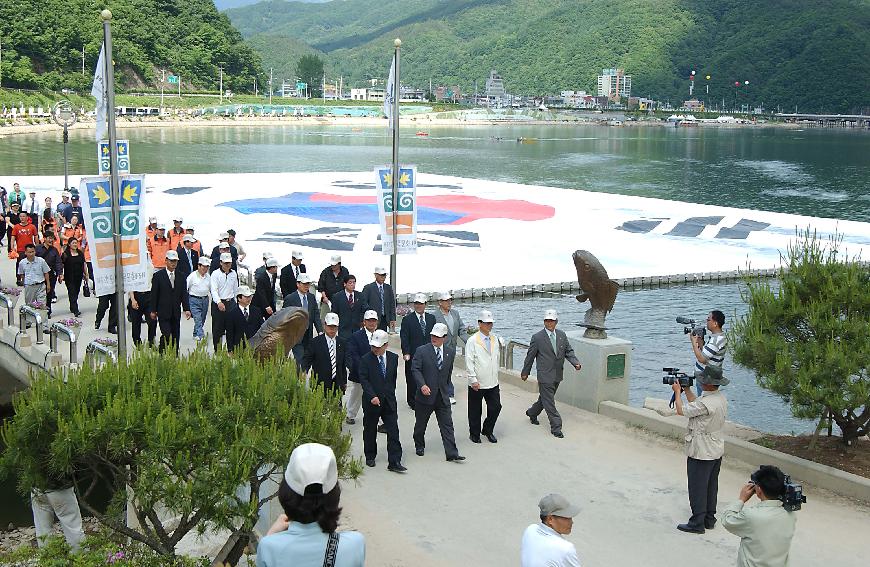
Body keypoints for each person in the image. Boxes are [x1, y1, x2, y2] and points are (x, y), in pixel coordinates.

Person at [256, 443, 365, 567]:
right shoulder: (355, 544)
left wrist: (270, 535)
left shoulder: (269, 548)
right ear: (334, 496)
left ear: (286, 493)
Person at [672, 365, 729, 534]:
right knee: (711, 486)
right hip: (715, 448)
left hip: (701, 450)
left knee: (697, 486)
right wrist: (687, 389)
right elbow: (696, 404)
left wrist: (677, 391)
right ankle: (709, 519)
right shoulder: (719, 398)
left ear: (708, 384)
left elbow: (682, 410)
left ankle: (697, 522)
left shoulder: (706, 403)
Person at [521, 309, 581, 439]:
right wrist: (525, 372)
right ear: (544, 322)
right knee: (549, 402)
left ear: (556, 322)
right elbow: (530, 356)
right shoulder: (537, 338)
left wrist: (575, 362)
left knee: (545, 399)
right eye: (547, 320)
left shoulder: (561, 335)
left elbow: (568, 351)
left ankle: (532, 412)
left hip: (557, 374)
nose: (549, 323)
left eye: (552, 321)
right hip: (544, 375)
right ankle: (556, 427)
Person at [722, 465, 797, 567]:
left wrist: (741, 499)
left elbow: (727, 520)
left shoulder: (752, 516)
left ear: (759, 490)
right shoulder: (791, 515)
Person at [411, 323, 465, 462]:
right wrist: (422, 385)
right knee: (421, 424)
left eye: (438, 336)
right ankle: (419, 445)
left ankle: (452, 453)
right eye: (433, 335)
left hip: (442, 396)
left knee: (447, 425)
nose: (434, 338)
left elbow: (448, 373)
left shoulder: (450, 352)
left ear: (445, 338)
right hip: (425, 397)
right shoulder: (421, 351)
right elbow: (415, 369)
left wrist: (447, 390)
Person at [357, 329, 406, 472]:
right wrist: (372, 396)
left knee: (393, 430)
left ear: (386, 345)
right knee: (370, 429)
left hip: (389, 401)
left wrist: (390, 394)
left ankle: (394, 461)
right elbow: (364, 380)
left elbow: (392, 380)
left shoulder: (393, 358)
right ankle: (370, 455)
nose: (375, 349)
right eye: (373, 346)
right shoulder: (365, 359)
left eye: (378, 346)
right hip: (372, 401)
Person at [465, 309, 503, 444]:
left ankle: (487, 429)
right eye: (486, 323)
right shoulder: (472, 341)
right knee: (475, 410)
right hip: (478, 382)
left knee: (496, 407)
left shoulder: (495, 338)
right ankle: (474, 434)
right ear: (479, 323)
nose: (489, 325)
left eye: (490, 323)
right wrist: (473, 379)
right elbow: (469, 361)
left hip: (492, 381)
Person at [520, 493, 581, 567]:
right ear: (550, 519)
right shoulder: (566, 549)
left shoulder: (530, 530)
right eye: (567, 517)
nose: (571, 522)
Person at [149, 250, 192, 354]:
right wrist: (153, 310)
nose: (173, 263)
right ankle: (162, 350)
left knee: (176, 334)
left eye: (175, 261)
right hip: (163, 311)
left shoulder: (181, 276)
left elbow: (183, 294)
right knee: (167, 333)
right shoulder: (158, 276)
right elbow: (154, 294)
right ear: (166, 261)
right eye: (171, 261)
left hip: (175, 311)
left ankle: (175, 354)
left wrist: (186, 309)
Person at [399, 293, 435, 410]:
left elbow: (434, 337)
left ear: (425, 305)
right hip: (413, 354)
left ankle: (427, 398)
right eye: (416, 304)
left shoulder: (431, 318)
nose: (419, 306)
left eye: (421, 304)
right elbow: (404, 337)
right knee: (412, 378)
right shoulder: (407, 320)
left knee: (428, 376)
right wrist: (406, 353)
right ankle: (412, 401)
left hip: (428, 353)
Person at [345, 310, 380, 425]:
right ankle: (350, 415)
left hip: (377, 371)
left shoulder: (380, 335)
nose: (371, 323)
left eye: (373, 321)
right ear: (364, 322)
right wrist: (362, 368)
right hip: (359, 371)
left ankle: (379, 420)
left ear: (377, 322)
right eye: (369, 321)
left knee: (377, 394)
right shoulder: (356, 336)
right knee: (357, 393)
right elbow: (353, 354)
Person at [303, 312, 349, 398]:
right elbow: (307, 359)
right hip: (320, 383)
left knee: (337, 409)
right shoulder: (315, 342)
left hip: (337, 384)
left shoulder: (342, 343)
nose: (332, 329)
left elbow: (342, 364)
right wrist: (303, 371)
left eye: (334, 327)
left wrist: (344, 381)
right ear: (324, 325)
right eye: (329, 326)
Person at [433, 291, 468, 404]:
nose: (449, 302)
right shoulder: (434, 316)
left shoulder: (455, 313)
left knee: (448, 371)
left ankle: (445, 392)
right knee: (440, 371)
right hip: (439, 348)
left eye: (450, 300)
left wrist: (470, 341)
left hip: (451, 349)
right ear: (440, 302)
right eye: (446, 301)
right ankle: (448, 393)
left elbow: (461, 329)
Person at [31, 483, 86, 553]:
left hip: (36, 488)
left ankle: (47, 560)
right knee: (73, 527)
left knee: (42, 528)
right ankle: (81, 560)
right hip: (60, 487)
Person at [283, 272, 321, 371]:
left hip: (308, 333)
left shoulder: (311, 298)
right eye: (304, 284)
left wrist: (320, 330)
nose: (306, 286)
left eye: (308, 284)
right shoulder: (290, 298)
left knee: (307, 357)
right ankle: (299, 378)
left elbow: (316, 314)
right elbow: (284, 316)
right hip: (295, 334)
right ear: (298, 284)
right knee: (299, 357)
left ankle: (302, 375)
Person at [691, 310, 727, 396]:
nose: (706, 322)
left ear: (715, 323)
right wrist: (700, 343)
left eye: (708, 320)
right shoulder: (717, 337)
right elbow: (708, 354)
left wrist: (693, 343)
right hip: (706, 377)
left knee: (703, 403)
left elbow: (702, 359)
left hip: (706, 379)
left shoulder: (716, 340)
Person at [210, 252, 239, 350]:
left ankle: (230, 350)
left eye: (229, 263)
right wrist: (218, 302)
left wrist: (237, 301)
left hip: (230, 302)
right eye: (225, 263)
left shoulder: (234, 273)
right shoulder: (215, 274)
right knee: (217, 329)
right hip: (218, 303)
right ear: (221, 263)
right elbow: (214, 290)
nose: (227, 265)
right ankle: (217, 351)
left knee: (231, 328)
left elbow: (235, 288)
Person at [226, 285, 264, 353]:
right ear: (239, 298)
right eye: (246, 297)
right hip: (239, 348)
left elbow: (262, 328)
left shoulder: (257, 311)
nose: (249, 298)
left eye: (250, 296)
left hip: (255, 347)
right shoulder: (232, 314)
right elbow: (229, 333)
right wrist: (230, 349)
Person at [329, 274, 367, 340]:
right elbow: (334, 313)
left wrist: (361, 321)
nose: (352, 284)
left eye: (354, 282)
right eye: (350, 282)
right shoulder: (337, 297)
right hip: (343, 330)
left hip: (357, 329)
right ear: (344, 284)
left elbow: (364, 309)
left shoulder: (360, 295)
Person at [128, 270, 158, 348]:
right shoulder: (135, 267)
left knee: (152, 320)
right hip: (137, 295)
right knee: (136, 321)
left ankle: (151, 340)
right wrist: (133, 299)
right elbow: (130, 284)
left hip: (149, 295)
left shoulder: (150, 265)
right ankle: (137, 342)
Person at [360, 267, 396, 332]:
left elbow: (392, 304)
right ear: (376, 275)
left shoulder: (388, 288)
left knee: (382, 338)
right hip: (372, 320)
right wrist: (369, 315)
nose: (383, 277)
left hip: (385, 319)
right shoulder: (368, 288)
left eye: (384, 275)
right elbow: (363, 303)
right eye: (381, 275)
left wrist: (392, 319)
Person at [35, 234, 62, 319]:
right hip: (39, 274)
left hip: (51, 275)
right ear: (45, 238)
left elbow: (58, 262)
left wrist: (60, 274)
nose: (51, 240)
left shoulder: (54, 250)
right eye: (49, 238)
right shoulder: (38, 248)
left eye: (52, 239)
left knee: (49, 293)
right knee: (39, 293)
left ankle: (48, 310)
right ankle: (38, 310)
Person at [60, 237, 88, 317]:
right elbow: (61, 264)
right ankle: (76, 310)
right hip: (69, 277)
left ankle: (72, 306)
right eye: (73, 243)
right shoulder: (65, 254)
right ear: (69, 244)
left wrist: (86, 274)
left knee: (76, 292)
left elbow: (83, 264)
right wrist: (61, 274)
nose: (75, 244)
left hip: (78, 276)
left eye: (76, 243)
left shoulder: (80, 253)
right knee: (72, 292)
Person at [186, 256, 211, 342]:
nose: (205, 268)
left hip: (205, 300)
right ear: (199, 266)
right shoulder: (192, 276)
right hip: (194, 300)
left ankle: (195, 333)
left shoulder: (208, 276)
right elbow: (185, 288)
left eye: (207, 266)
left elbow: (212, 289)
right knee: (198, 319)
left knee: (202, 318)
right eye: (203, 266)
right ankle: (201, 336)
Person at [317, 255, 349, 320]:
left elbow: (347, 284)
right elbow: (321, 286)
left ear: (339, 264)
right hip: (327, 300)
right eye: (332, 264)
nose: (333, 266)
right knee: (324, 319)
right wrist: (325, 297)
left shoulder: (345, 271)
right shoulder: (325, 272)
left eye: (334, 265)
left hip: (340, 301)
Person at [12, 211, 39, 280]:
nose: (22, 218)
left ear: (27, 217)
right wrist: (12, 247)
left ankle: (30, 278)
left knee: (31, 264)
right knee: (20, 264)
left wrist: (38, 246)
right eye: (20, 216)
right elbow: (13, 237)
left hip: (30, 250)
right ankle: (18, 279)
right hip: (20, 250)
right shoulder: (16, 227)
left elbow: (36, 237)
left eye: (24, 216)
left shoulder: (32, 226)